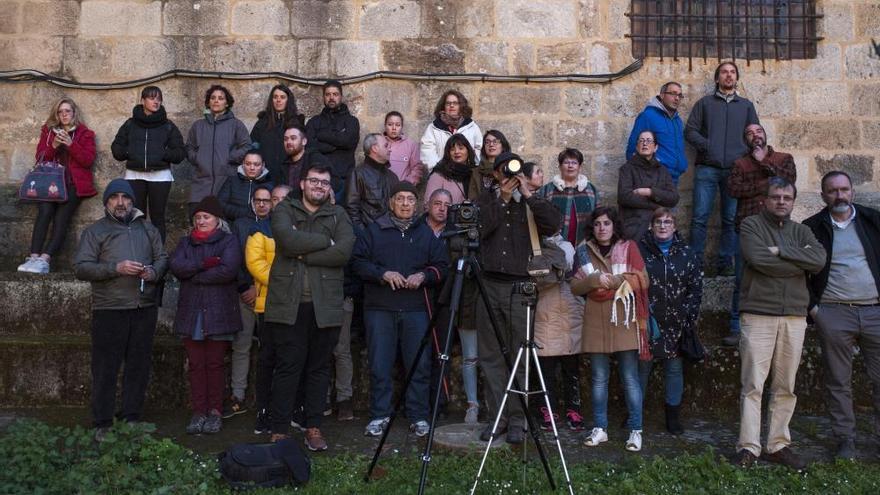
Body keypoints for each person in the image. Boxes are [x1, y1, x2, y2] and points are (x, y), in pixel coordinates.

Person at [734, 177, 825, 470]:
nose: (781, 201)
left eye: (787, 197)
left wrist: (781, 250)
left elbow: (820, 260)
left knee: (786, 385)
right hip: (758, 313)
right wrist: (799, 261)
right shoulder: (751, 226)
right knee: (753, 385)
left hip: (794, 317)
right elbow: (760, 260)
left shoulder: (803, 230)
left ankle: (777, 444)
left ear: (793, 201)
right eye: (776, 197)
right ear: (765, 199)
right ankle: (749, 446)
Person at [263, 164, 355, 452]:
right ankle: (279, 430)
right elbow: (286, 241)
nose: (319, 186)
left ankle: (313, 427)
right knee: (287, 368)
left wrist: (304, 255)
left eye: (325, 183)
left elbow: (343, 252)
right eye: (314, 181)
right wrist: (323, 242)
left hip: (324, 306)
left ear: (329, 188)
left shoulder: (338, 214)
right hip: (288, 305)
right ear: (302, 184)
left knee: (318, 369)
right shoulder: (284, 210)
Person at [475, 152, 562, 444]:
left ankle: (518, 419)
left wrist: (528, 193)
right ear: (497, 174)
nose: (508, 176)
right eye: (503, 171)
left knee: (520, 356)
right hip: (488, 285)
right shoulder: (487, 199)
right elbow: (479, 229)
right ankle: (497, 417)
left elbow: (553, 224)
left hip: (520, 287)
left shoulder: (531, 201)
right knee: (490, 357)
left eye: (514, 171)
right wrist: (501, 198)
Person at [352, 181, 449, 438]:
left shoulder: (425, 233)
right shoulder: (374, 231)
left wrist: (424, 276)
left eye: (410, 199)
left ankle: (418, 416)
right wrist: (382, 273)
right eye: (400, 199)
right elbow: (358, 263)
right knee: (379, 364)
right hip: (379, 309)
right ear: (391, 202)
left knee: (419, 365)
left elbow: (442, 266)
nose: (405, 203)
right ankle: (379, 415)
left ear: (417, 204)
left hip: (416, 309)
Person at [73, 179, 167, 440]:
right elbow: (81, 267)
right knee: (105, 368)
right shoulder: (96, 231)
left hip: (143, 308)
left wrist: (153, 272)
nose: (121, 202)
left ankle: (131, 418)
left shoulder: (148, 229)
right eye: (114, 198)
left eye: (125, 198)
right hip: (109, 309)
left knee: (138, 366)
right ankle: (103, 422)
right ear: (107, 203)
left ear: (132, 202)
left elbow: (162, 258)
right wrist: (115, 268)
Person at [804, 171, 880, 460]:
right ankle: (845, 440)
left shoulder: (873, 221)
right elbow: (800, 274)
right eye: (833, 190)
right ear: (823, 195)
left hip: (875, 310)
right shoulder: (813, 227)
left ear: (852, 192)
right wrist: (815, 310)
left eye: (844, 189)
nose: (839, 195)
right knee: (838, 380)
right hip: (834, 312)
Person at [571, 206, 650, 452]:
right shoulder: (582, 250)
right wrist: (594, 281)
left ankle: (636, 431)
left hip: (623, 318)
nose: (602, 228)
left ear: (614, 225)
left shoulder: (629, 247)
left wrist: (615, 281)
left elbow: (643, 279)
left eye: (606, 223)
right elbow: (575, 286)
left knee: (630, 378)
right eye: (597, 224)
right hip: (596, 319)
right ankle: (600, 429)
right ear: (592, 227)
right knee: (598, 379)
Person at [169, 196, 243, 435]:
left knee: (215, 364)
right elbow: (176, 266)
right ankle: (198, 411)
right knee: (196, 364)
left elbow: (228, 270)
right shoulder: (185, 242)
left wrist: (195, 275)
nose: (201, 221)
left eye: (206, 217)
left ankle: (215, 412)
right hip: (191, 312)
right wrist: (205, 264)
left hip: (218, 310)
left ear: (217, 220)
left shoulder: (229, 241)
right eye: (198, 217)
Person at [522, 161, 585, 431]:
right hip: (546, 312)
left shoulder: (569, 248)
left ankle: (573, 408)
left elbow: (577, 277)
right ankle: (546, 409)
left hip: (568, 311)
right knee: (545, 367)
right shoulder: (532, 248)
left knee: (572, 367)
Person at [725, 124, 797, 346]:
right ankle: (736, 327)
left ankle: (778, 325)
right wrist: (767, 183)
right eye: (749, 133)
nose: (755, 135)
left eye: (758, 132)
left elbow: (788, 183)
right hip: (746, 229)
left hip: (777, 228)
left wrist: (762, 163)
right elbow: (734, 190)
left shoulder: (784, 158)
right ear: (745, 140)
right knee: (741, 279)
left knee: (778, 275)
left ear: (765, 135)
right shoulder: (739, 163)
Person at [686, 61, 760, 275]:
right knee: (699, 217)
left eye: (732, 72)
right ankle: (695, 265)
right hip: (707, 168)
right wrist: (708, 146)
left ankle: (725, 264)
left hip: (736, 170)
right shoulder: (704, 104)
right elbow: (690, 131)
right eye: (724, 72)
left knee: (731, 219)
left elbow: (755, 133)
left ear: (737, 78)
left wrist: (745, 156)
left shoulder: (746, 106)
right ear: (717, 78)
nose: (728, 76)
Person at [637, 208, 702, 435]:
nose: (663, 226)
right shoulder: (639, 252)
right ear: (651, 226)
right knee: (642, 368)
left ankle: (672, 416)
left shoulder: (687, 253)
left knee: (674, 370)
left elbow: (695, 288)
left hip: (677, 322)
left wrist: (688, 315)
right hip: (648, 321)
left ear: (674, 227)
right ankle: (636, 414)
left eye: (668, 222)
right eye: (658, 222)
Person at [18, 97, 97, 274]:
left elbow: (88, 160)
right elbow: (40, 158)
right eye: (60, 112)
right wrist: (53, 145)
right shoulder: (48, 132)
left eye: (67, 111)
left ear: (74, 112)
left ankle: (45, 260)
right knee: (44, 213)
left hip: (73, 184)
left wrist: (71, 144)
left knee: (61, 219)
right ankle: (33, 257)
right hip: (49, 183)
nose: (64, 115)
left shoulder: (85, 134)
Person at [223, 185, 274, 420]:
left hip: (270, 295)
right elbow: (234, 257)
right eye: (258, 200)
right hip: (245, 293)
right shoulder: (240, 225)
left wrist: (259, 286)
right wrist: (245, 286)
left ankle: (269, 398)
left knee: (270, 348)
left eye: (266, 200)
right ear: (252, 202)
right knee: (241, 346)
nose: (262, 204)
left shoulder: (278, 226)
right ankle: (238, 394)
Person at [111, 86, 186, 242]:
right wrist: (129, 153)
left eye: (159, 99)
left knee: (158, 217)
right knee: (136, 216)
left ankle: (158, 257)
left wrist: (163, 154)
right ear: (143, 100)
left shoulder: (168, 125)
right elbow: (117, 148)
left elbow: (180, 152)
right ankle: (139, 255)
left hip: (160, 177)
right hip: (134, 175)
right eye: (152, 98)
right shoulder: (130, 124)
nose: (156, 101)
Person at [247, 184, 290, 434]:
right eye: (275, 199)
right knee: (267, 361)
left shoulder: (299, 228)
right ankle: (263, 411)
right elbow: (255, 263)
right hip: (268, 304)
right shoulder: (260, 229)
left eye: (284, 198)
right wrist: (285, 280)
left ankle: (288, 410)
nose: (279, 203)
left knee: (291, 361)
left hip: (296, 304)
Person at [185, 85, 252, 207]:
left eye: (221, 98)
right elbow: (189, 147)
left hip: (226, 182)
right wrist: (198, 158)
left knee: (222, 222)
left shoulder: (236, 125)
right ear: (208, 102)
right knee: (197, 218)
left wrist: (230, 157)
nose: (216, 101)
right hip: (201, 183)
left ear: (227, 103)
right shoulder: (198, 126)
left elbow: (247, 146)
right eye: (213, 98)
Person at [617, 130, 679, 241]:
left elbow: (673, 198)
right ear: (637, 147)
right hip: (634, 223)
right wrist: (657, 206)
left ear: (655, 147)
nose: (645, 143)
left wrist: (649, 192)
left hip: (659, 224)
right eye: (641, 140)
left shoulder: (662, 171)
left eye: (649, 141)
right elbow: (624, 197)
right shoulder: (627, 169)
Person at [305, 80, 360, 202]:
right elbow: (309, 146)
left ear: (341, 96)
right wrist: (336, 144)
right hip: (318, 181)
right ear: (323, 97)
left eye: (335, 94)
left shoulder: (351, 121)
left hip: (343, 180)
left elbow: (348, 142)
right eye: (328, 94)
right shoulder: (314, 121)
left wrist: (321, 135)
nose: (331, 98)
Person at [625, 82, 688, 185]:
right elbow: (633, 147)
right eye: (673, 93)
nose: (677, 98)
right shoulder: (648, 116)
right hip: (655, 177)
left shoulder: (677, 120)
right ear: (662, 95)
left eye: (680, 95)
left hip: (674, 177)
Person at [538, 148, 598, 247]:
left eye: (574, 163)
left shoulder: (591, 190)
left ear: (580, 167)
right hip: (554, 246)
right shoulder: (547, 190)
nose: (570, 166)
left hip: (585, 244)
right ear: (560, 166)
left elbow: (598, 216)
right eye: (566, 162)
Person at [250, 84, 305, 182]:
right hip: (265, 176)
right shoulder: (262, 123)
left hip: (289, 175)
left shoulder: (297, 122)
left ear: (288, 100)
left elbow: (302, 150)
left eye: (282, 97)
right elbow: (253, 149)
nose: (278, 100)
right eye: (275, 97)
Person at [344, 133, 399, 230]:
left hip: (392, 233)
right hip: (369, 235)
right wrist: (363, 234)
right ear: (374, 148)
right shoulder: (357, 174)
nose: (390, 149)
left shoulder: (393, 176)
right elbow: (351, 209)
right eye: (386, 146)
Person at [420, 89, 482, 170]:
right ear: (443, 106)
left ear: (461, 106)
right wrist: (441, 170)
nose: (451, 106)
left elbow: (478, 149)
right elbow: (427, 152)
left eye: (455, 103)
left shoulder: (472, 126)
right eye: (448, 103)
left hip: (467, 174)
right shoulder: (433, 128)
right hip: (442, 174)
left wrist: (471, 167)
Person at [274, 124, 331, 198]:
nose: (288, 142)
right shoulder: (283, 165)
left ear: (304, 141)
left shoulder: (316, 159)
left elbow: (336, 182)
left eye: (293, 138)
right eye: (286, 139)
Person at [216, 150, 274, 221]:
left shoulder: (269, 183)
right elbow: (220, 204)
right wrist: (244, 213)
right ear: (243, 164)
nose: (252, 168)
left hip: (260, 226)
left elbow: (273, 208)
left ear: (263, 165)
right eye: (248, 164)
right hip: (233, 225)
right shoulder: (232, 180)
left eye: (256, 164)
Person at [425, 134, 477, 205]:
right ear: (448, 153)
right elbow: (428, 203)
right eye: (452, 149)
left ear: (468, 151)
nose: (456, 152)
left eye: (461, 148)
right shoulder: (439, 174)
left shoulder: (474, 173)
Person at [384, 111, 424, 184]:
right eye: (390, 124)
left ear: (402, 127)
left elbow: (417, 168)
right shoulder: (378, 142)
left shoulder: (411, 145)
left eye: (398, 125)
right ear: (385, 126)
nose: (394, 128)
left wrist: (407, 184)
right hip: (380, 189)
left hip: (402, 190)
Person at [468, 130, 510, 198]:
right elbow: (472, 198)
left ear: (503, 146)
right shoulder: (476, 172)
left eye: (495, 141)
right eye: (487, 142)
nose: (491, 145)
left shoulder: (510, 168)